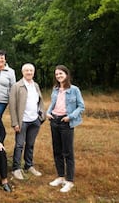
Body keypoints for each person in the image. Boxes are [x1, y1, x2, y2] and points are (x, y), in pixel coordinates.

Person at [46, 65, 85, 193]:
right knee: (57, 151)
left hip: (66, 122)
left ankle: (69, 181)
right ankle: (60, 177)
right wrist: (48, 112)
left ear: (66, 74)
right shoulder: (55, 89)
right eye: (57, 74)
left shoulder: (74, 90)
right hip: (54, 121)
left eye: (61, 74)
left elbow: (81, 107)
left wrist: (70, 116)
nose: (58, 76)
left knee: (68, 152)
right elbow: (53, 103)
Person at [9, 63, 45, 180]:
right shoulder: (17, 86)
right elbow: (12, 106)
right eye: (26, 70)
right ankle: (16, 168)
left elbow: (40, 102)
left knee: (30, 144)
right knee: (19, 145)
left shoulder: (35, 85)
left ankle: (28, 166)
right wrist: (15, 123)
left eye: (31, 70)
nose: (29, 72)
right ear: (22, 72)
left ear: (33, 72)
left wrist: (41, 117)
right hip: (22, 121)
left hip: (34, 121)